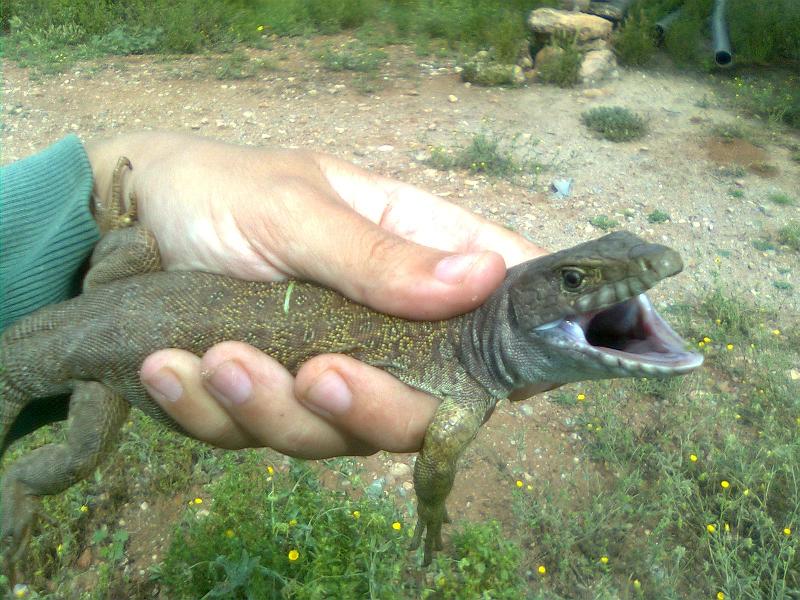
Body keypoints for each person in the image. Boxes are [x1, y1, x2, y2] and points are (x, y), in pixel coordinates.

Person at [1, 131, 546, 459]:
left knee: (139, 244)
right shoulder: (465, 361)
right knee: (81, 447)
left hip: (112, 292)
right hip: (100, 341)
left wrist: (91, 189)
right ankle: (23, 488)